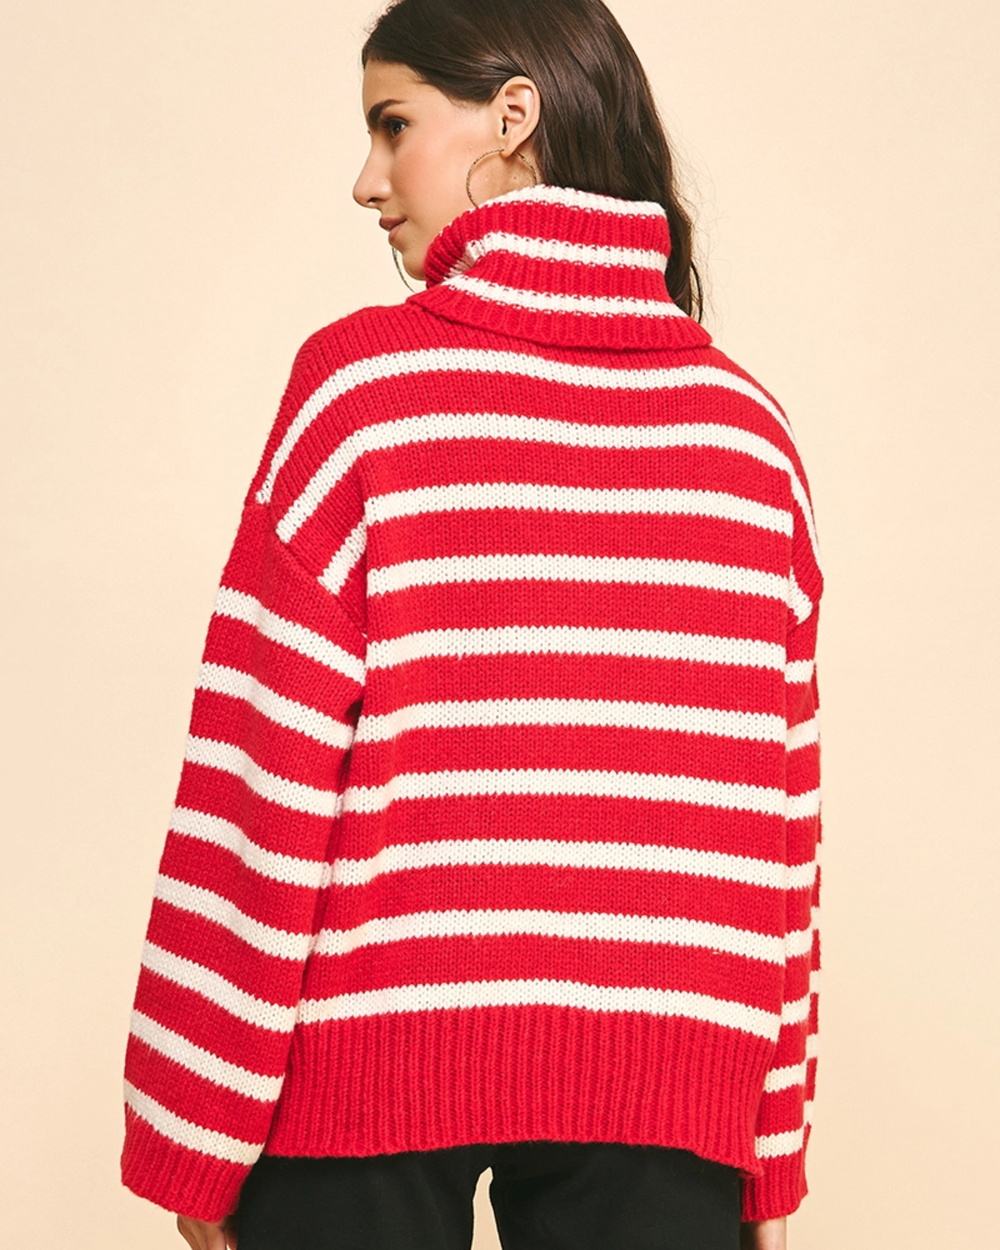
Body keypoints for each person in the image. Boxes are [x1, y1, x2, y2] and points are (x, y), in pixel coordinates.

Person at [120, 1, 822, 1247]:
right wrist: (765, 1151)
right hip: (671, 1078)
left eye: (393, 125)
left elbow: (258, 772)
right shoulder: (747, 435)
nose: (366, 179)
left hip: (366, 1057)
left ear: (512, 116)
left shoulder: (359, 389)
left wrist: (196, 1125)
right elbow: (775, 835)